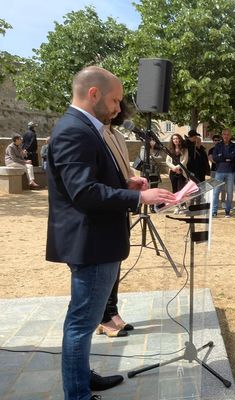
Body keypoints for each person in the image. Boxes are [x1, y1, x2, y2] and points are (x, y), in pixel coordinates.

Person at [45, 66, 175, 400]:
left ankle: (82, 378)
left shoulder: (87, 129)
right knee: (81, 323)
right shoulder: (74, 130)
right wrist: (138, 197)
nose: (119, 108)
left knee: (85, 321)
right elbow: (83, 192)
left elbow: (92, 181)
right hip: (91, 243)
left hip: (98, 239)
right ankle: (78, 394)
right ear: (94, 94)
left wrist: (126, 184)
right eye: (115, 100)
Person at [96, 100, 138, 339]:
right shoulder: (95, 135)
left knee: (117, 263)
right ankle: (102, 317)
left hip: (120, 207)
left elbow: (123, 172)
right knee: (105, 267)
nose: (117, 110)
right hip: (106, 210)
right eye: (113, 103)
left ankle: (112, 311)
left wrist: (133, 182)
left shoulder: (117, 136)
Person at [211, 128, 235, 217]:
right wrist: (226, 158)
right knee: (216, 192)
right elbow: (215, 157)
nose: (226, 136)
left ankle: (227, 210)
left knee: (230, 192)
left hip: (231, 172)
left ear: (230, 136)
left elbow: (234, 157)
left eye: (228, 134)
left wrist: (222, 157)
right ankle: (214, 211)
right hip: (219, 171)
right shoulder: (218, 146)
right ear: (222, 135)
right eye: (224, 134)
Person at [208, 133, 226, 206]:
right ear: (213, 141)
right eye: (215, 140)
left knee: (223, 187)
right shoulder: (211, 150)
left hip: (223, 170)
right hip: (214, 170)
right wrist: (219, 161)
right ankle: (214, 201)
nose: (217, 141)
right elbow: (210, 159)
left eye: (218, 140)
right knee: (214, 187)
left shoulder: (224, 148)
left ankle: (223, 202)